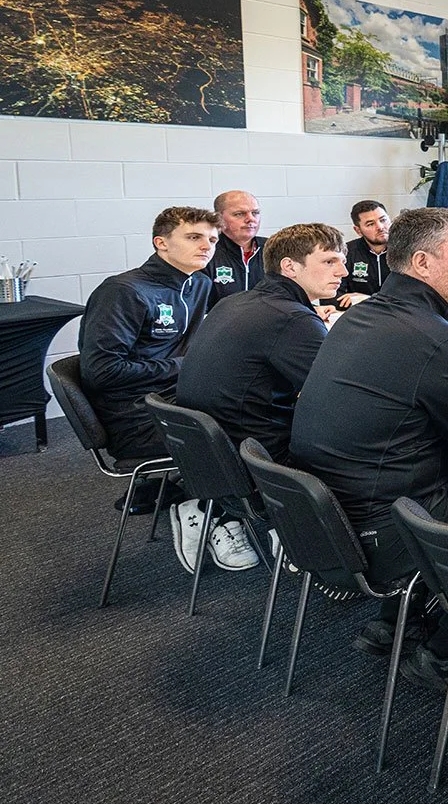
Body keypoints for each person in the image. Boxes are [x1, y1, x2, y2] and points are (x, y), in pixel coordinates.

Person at [291, 207, 448, 680]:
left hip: (329, 519)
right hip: (381, 532)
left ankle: (396, 621)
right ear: (422, 263)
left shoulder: (359, 317)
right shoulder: (438, 340)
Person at [78, 206, 252, 571]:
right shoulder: (123, 291)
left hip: (176, 401)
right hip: (133, 418)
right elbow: (101, 372)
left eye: (212, 239)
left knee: (263, 410)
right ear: (161, 243)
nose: (206, 246)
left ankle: (230, 506)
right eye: (194, 237)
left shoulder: (199, 283)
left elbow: (190, 350)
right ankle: (203, 508)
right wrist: (185, 366)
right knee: (246, 431)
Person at [179, 223, 347, 464]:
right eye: (330, 262)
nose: (343, 272)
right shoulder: (292, 318)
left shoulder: (234, 301)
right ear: (289, 267)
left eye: (342, 262)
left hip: (217, 452)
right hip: (261, 457)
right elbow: (343, 395)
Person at [204, 190, 268, 305]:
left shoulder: (273, 249)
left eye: (255, 213)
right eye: (239, 214)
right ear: (219, 218)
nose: (251, 219)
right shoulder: (206, 251)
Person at [334, 200, 391, 308]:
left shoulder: (406, 251)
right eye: (370, 224)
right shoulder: (345, 253)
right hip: (358, 314)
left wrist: (368, 299)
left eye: (383, 220)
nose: (380, 227)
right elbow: (332, 297)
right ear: (358, 231)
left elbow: (412, 297)